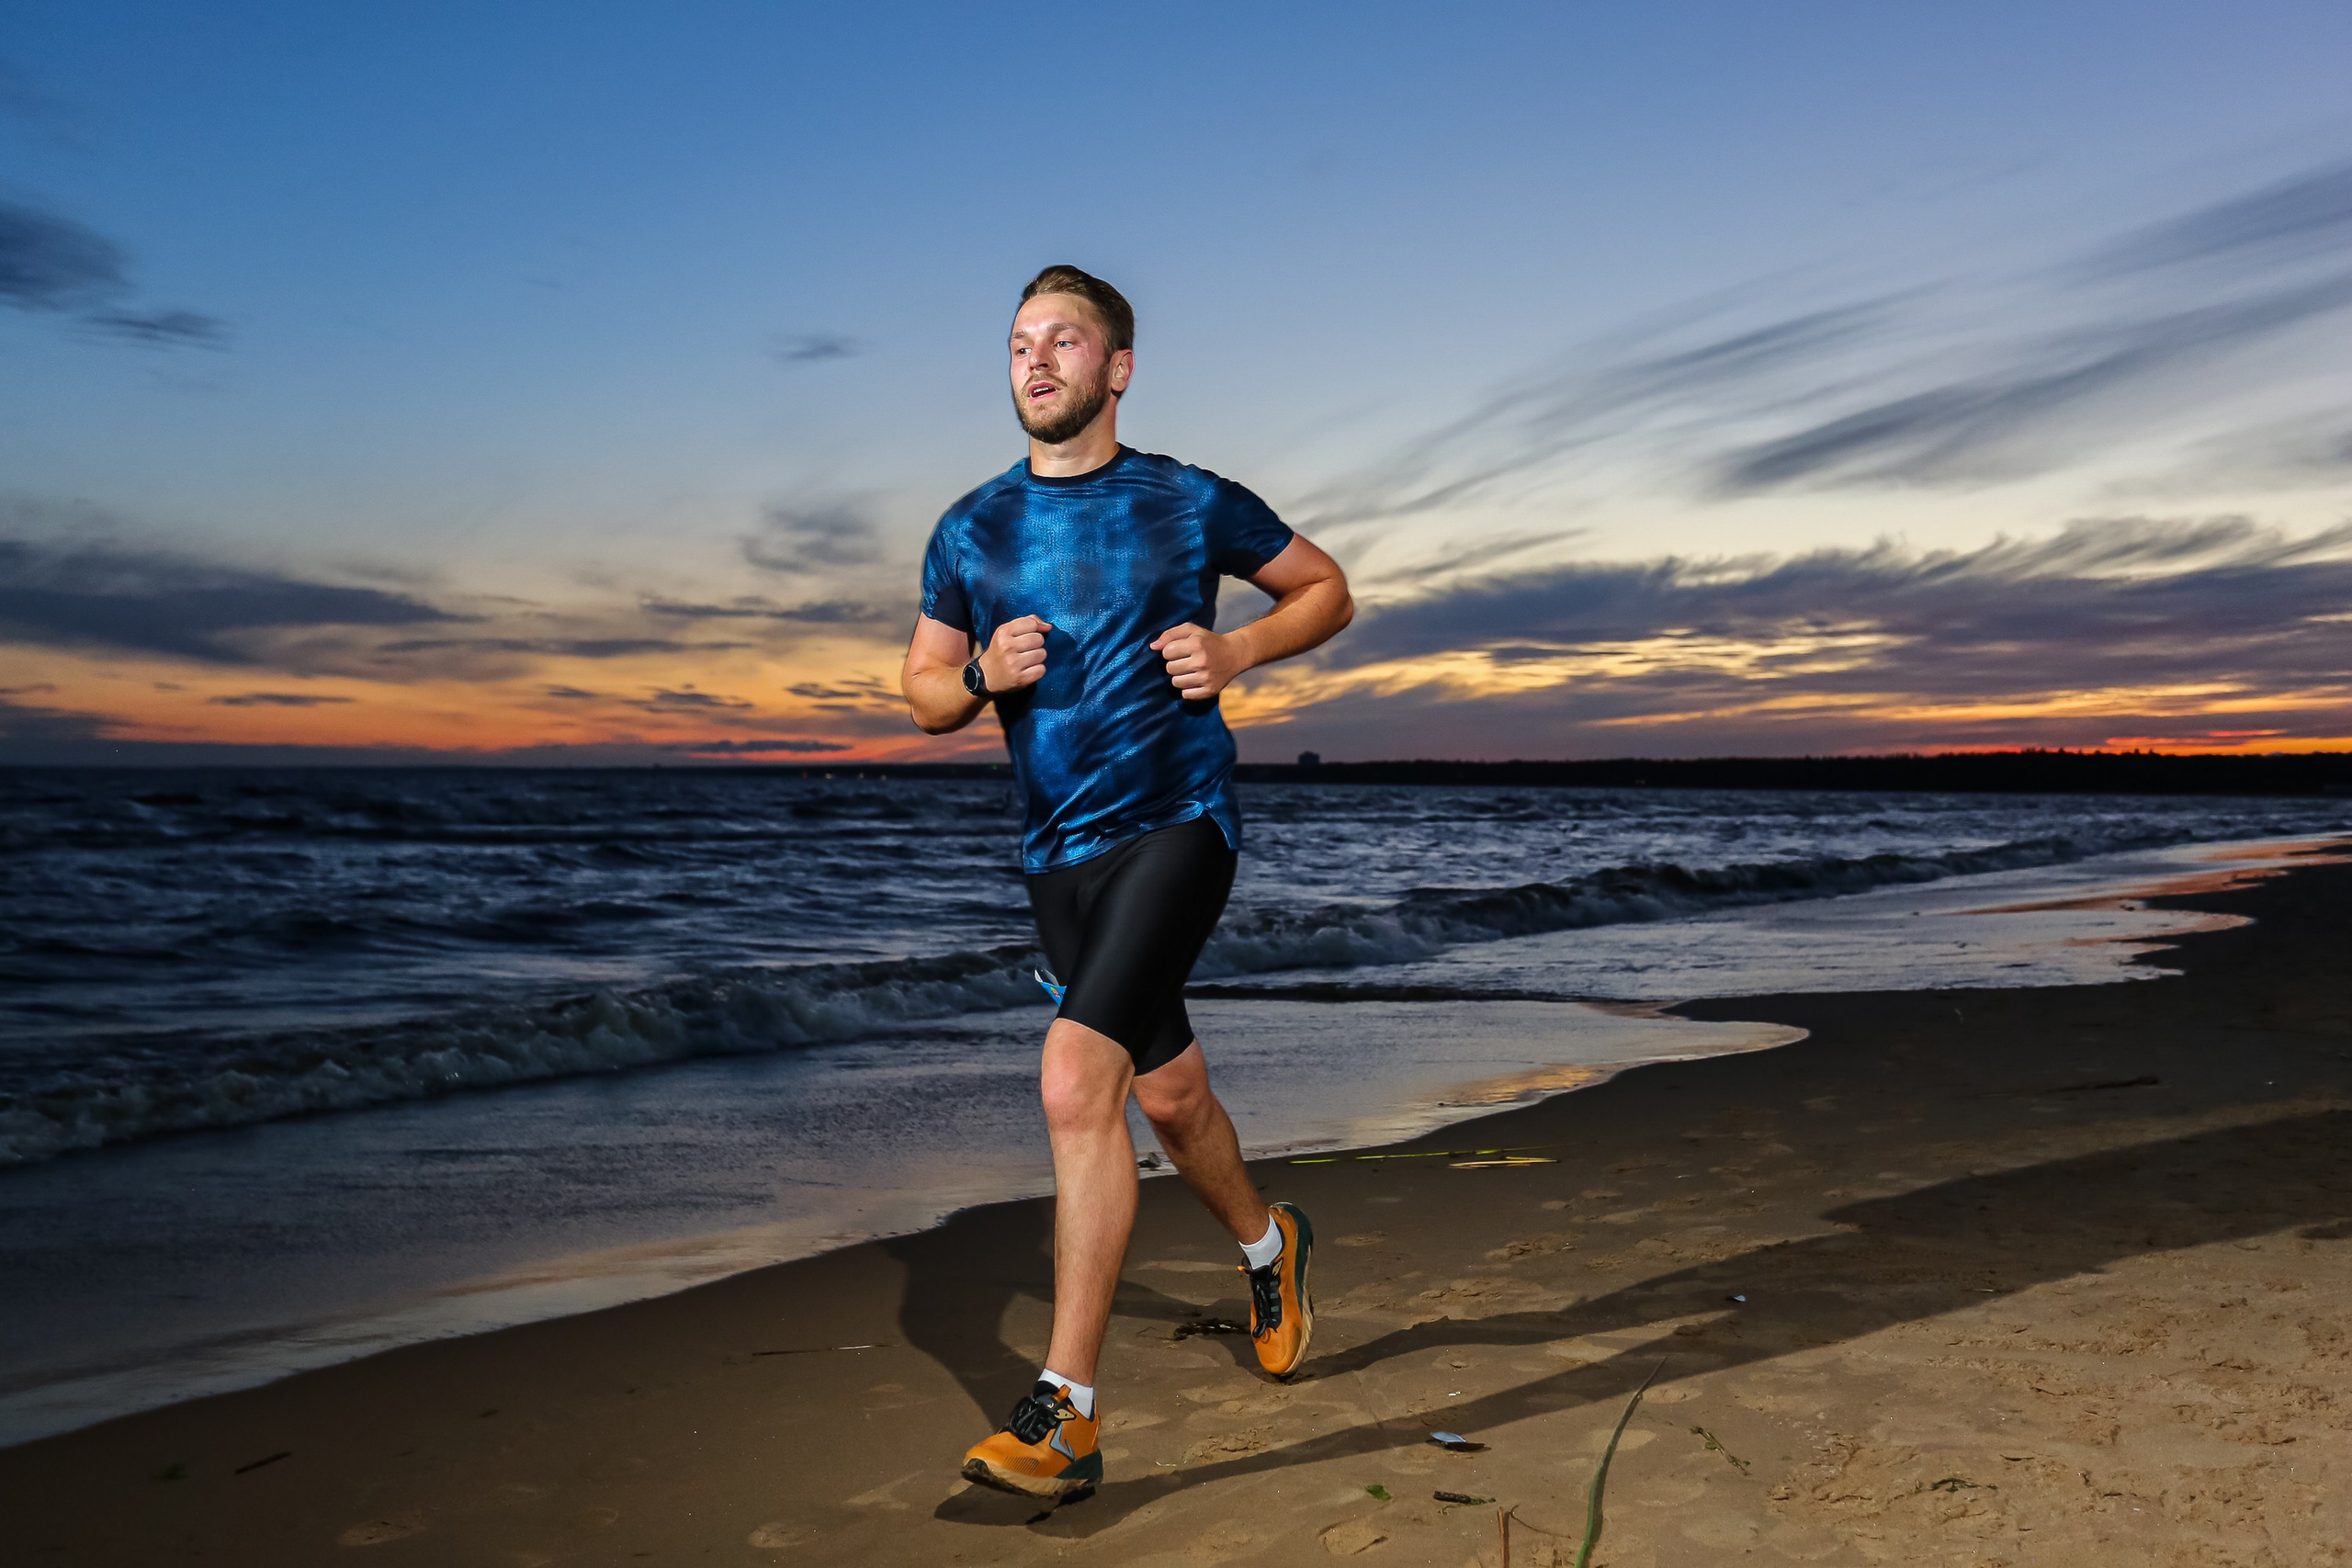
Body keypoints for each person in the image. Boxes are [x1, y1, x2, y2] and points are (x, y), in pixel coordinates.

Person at [900, 265, 1353, 1497]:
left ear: (1118, 367)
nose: (1036, 361)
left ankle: (1069, 1417)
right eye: (1016, 344)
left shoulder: (1188, 501)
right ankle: (1270, 1245)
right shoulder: (969, 527)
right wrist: (985, 676)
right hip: (1058, 858)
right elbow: (924, 689)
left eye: (1064, 340)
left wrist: (1240, 646)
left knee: (1069, 1081)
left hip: (1178, 822)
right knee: (1167, 1099)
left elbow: (1327, 587)